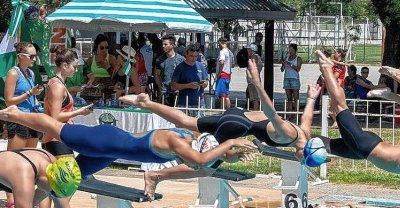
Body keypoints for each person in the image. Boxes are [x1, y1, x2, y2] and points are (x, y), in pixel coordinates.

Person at [119, 59, 307, 199]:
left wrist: (313, 97)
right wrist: (257, 84)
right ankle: (155, 176)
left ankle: (146, 103)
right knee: (204, 167)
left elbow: (305, 116)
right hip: (236, 127)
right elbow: (271, 112)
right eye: (304, 158)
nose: (301, 160)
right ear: (305, 151)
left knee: (187, 122)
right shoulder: (289, 134)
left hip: (237, 115)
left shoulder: (304, 133)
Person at [302, 50, 400, 178]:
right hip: (364, 145)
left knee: (322, 144)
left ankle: (293, 138)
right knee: (339, 107)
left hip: (365, 152)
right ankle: (326, 67)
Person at [0, 106, 256, 179]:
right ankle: (13, 113)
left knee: (66, 183)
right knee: (53, 126)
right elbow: (201, 161)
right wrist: (231, 141)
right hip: (104, 141)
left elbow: (203, 165)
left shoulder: (188, 145)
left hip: (108, 153)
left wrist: (226, 155)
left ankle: (19, 198)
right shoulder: (177, 143)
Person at [40, 49, 93, 208]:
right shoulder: (57, 86)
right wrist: (79, 112)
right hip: (56, 139)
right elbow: (53, 118)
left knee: (50, 184)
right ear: (65, 65)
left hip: (55, 139)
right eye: (74, 66)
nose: (75, 70)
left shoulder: (58, 83)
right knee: (68, 183)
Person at [3, 42, 43, 208]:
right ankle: (10, 197)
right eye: (31, 56)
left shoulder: (31, 73)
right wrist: (29, 94)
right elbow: (8, 100)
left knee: (28, 158)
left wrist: (36, 101)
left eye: (35, 56)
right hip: (17, 118)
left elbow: (30, 98)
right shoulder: (13, 73)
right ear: (21, 56)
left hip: (30, 118)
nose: (35, 59)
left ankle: (22, 194)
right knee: (13, 158)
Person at [170, 43, 208, 110]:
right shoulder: (180, 67)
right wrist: (188, 85)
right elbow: (173, 86)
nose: (194, 58)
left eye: (196, 56)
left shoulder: (201, 66)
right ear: (186, 54)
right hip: (184, 103)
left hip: (199, 102)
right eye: (191, 56)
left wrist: (204, 84)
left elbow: (206, 81)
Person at [84, 34, 120, 100]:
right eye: (102, 47)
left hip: (108, 90)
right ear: (96, 47)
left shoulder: (111, 58)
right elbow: (85, 73)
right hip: (94, 91)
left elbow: (116, 77)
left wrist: (107, 67)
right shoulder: (91, 59)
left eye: (107, 47)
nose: (104, 50)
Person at [155, 35, 185, 106]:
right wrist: (160, 87)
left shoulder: (181, 59)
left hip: (178, 92)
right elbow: (157, 74)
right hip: (165, 92)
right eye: (162, 44)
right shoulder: (159, 59)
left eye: (165, 44)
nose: (163, 46)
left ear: (173, 45)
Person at [281, 43, 302, 114]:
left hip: (294, 79)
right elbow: (282, 70)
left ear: (295, 50)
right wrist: (283, 65)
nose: (290, 51)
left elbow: (298, 69)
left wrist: (290, 64)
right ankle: (289, 113)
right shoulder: (286, 58)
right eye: (289, 50)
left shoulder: (298, 58)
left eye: (292, 50)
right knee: (289, 98)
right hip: (287, 78)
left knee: (296, 98)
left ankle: (297, 113)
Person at [215, 38, 233, 109]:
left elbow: (221, 62)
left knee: (222, 95)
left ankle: (222, 111)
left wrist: (219, 73)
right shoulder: (229, 52)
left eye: (218, 44)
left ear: (221, 42)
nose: (218, 45)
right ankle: (228, 110)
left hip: (222, 75)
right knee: (226, 95)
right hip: (227, 75)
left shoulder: (222, 51)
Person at [244, 43, 263, 110]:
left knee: (255, 98)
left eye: (248, 50)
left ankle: (256, 112)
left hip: (253, 81)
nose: (247, 51)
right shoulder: (255, 57)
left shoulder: (254, 57)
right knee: (253, 98)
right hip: (252, 81)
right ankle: (256, 111)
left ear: (252, 50)